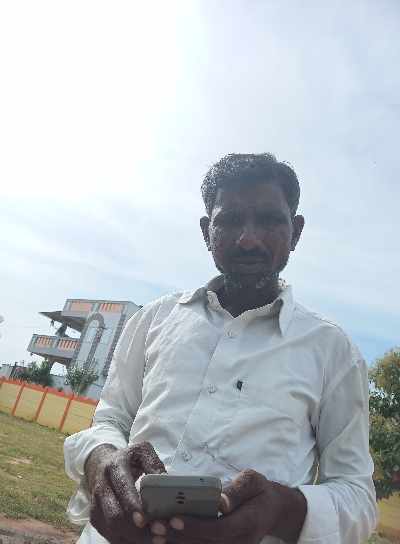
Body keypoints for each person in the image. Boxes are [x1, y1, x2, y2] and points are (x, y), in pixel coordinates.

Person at [64, 153, 377, 544]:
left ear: (295, 232)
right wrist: (101, 458)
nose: (249, 239)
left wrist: (281, 509)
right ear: (206, 230)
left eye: (269, 220)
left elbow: (357, 496)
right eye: (229, 220)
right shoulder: (154, 319)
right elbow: (110, 419)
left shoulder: (333, 351)